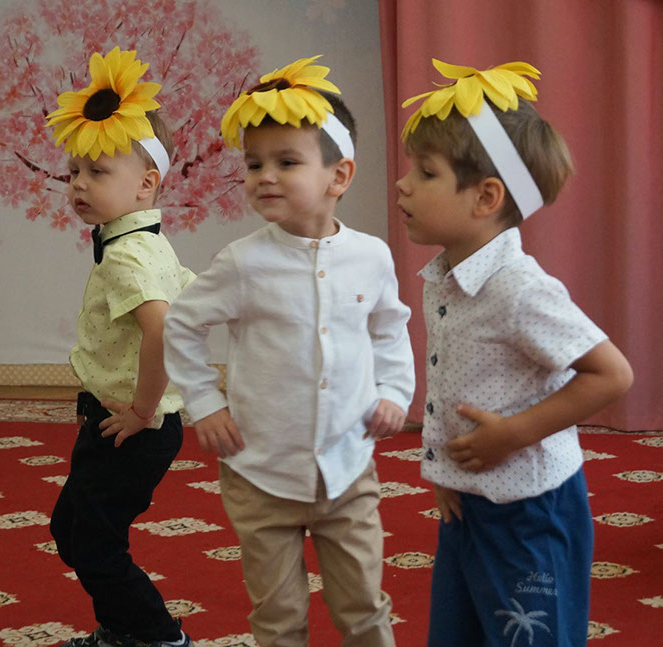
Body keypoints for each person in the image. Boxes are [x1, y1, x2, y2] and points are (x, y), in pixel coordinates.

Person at [164, 56, 414, 647]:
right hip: (260, 474)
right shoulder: (243, 262)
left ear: (339, 175)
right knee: (278, 618)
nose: (264, 176)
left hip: (347, 469)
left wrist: (393, 391)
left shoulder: (372, 256)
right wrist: (205, 402)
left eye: (286, 161)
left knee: (364, 608)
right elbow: (181, 325)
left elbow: (389, 328)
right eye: (254, 163)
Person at [395, 59, 633, 647]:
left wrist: (513, 435)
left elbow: (610, 374)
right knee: (462, 633)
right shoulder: (444, 276)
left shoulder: (519, 288)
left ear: (486, 196)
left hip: (530, 511)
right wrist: (447, 473)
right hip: (469, 501)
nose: (403, 184)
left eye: (425, 172)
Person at [45, 47, 195, 647]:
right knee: (73, 531)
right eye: (74, 171)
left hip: (133, 426)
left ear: (146, 184)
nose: (79, 184)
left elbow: (162, 329)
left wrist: (141, 410)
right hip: (116, 420)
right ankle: (124, 628)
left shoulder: (128, 254)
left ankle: (157, 638)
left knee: (92, 542)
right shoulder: (141, 240)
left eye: (98, 172)